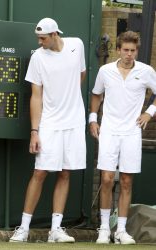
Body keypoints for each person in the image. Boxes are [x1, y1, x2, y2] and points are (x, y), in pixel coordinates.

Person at [9, 17, 87, 243]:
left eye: (43, 38)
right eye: (38, 38)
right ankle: (23, 228)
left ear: (55, 35)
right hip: (49, 123)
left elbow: (79, 76)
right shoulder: (37, 58)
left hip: (73, 122)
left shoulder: (77, 45)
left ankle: (55, 229)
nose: (40, 41)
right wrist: (35, 131)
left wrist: (68, 99)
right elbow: (36, 96)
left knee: (65, 173)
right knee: (40, 172)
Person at [89, 31, 156, 245]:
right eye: (125, 50)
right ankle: (104, 228)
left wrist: (149, 112)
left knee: (126, 181)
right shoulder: (105, 71)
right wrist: (92, 119)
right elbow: (97, 94)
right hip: (108, 130)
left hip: (132, 133)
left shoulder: (146, 71)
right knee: (107, 179)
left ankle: (121, 231)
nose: (129, 54)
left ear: (136, 50)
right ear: (118, 50)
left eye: (133, 50)